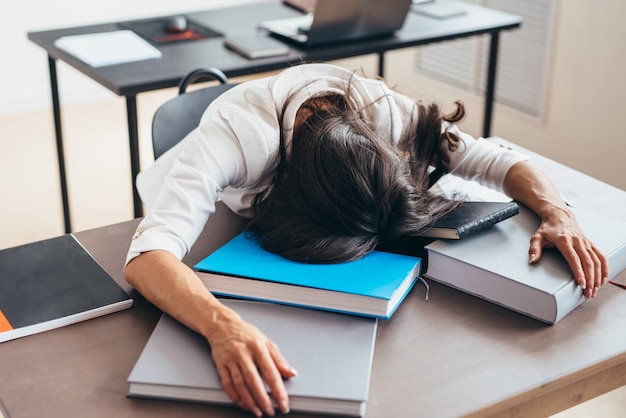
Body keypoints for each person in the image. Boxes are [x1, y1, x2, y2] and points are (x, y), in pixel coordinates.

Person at [123, 63, 608, 417]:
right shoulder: (237, 138)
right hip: (197, 198)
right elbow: (148, 255)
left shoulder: (390, 117)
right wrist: (223, 326)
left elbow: (498, 161)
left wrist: (556, 211)